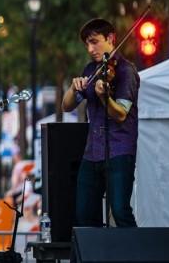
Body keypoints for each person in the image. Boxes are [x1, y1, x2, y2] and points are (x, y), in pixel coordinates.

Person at [62, 18, 139, 228]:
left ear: (111, 38)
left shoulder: (126, 71)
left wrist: (105, 98)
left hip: (119, 150)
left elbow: (121, 114)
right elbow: (66, 106)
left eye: (94, 42)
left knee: (120, 210)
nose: (90, 49)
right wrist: (73, 88)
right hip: (92, 152)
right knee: (84, 213)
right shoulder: (90, 70)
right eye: (87, 44)